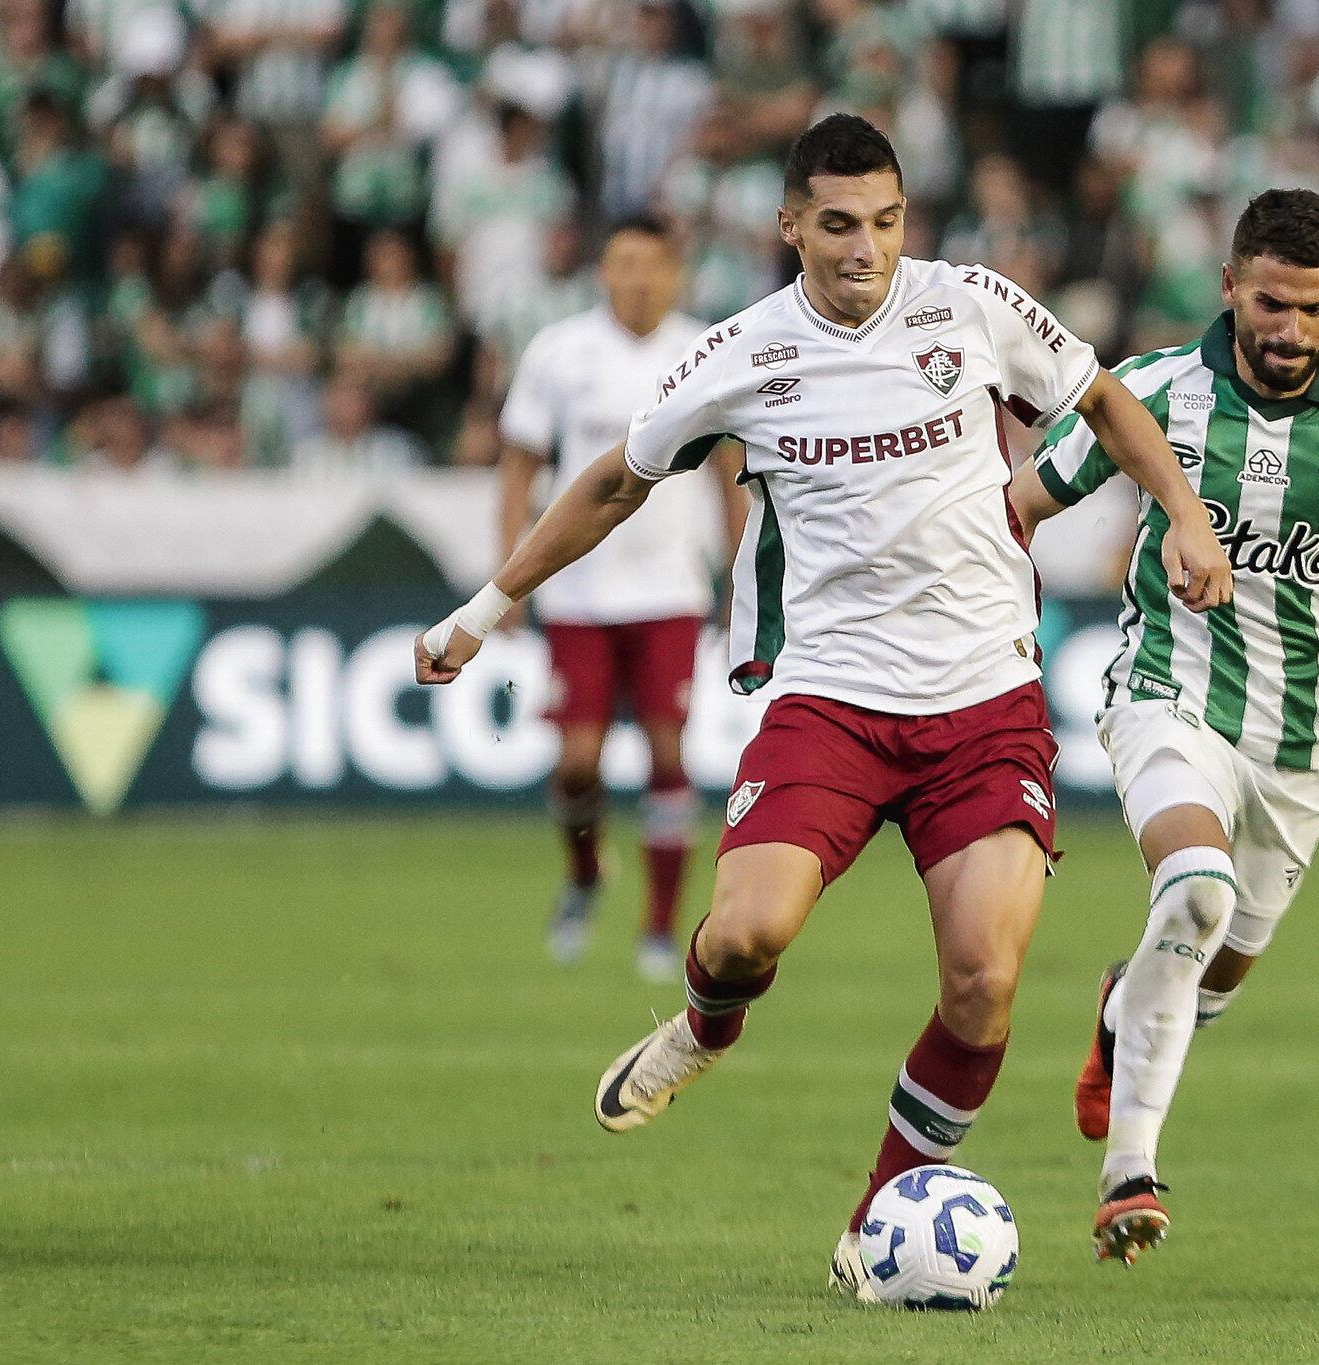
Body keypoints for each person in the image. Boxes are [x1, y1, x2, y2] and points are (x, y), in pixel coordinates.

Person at [414, 114, 1231, 1294]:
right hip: (827, 699)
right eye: (838, 224)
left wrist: (1188, 512)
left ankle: (874, 1224)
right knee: (745, 937)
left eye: (886, 222)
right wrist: (482, 610)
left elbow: (1102, 402)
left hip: (982, 701)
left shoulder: (971, 305)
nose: (865, 248)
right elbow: (610, 482)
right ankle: (702, 1023)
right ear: (788, 223)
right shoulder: (741, 353)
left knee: (983, 985)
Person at [1008, 188, 1319, 1264]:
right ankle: (1130, 1176)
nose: (1288, 331)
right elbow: (1017, 510)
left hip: (1306, 742)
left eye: (1312, 309)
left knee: (1211, 968)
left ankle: (1127, 1011)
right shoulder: (1154, 393)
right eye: (1269, 303)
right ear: (1228, 287)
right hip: (1169, 695)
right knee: (1194, 890)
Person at [494, 215, 744, 980]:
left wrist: (740, 574)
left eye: (652, 264)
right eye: (623, 262)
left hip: (670, 585)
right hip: (577, 591)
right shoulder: (558, 354)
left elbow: (731, 472)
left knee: (670, 749)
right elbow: (517, 473)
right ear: (603, 271)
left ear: (675, 274)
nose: (638, 277)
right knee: (577, 763)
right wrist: (508, 580)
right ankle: (581, 875)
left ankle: (662, 928)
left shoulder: (706, 352)